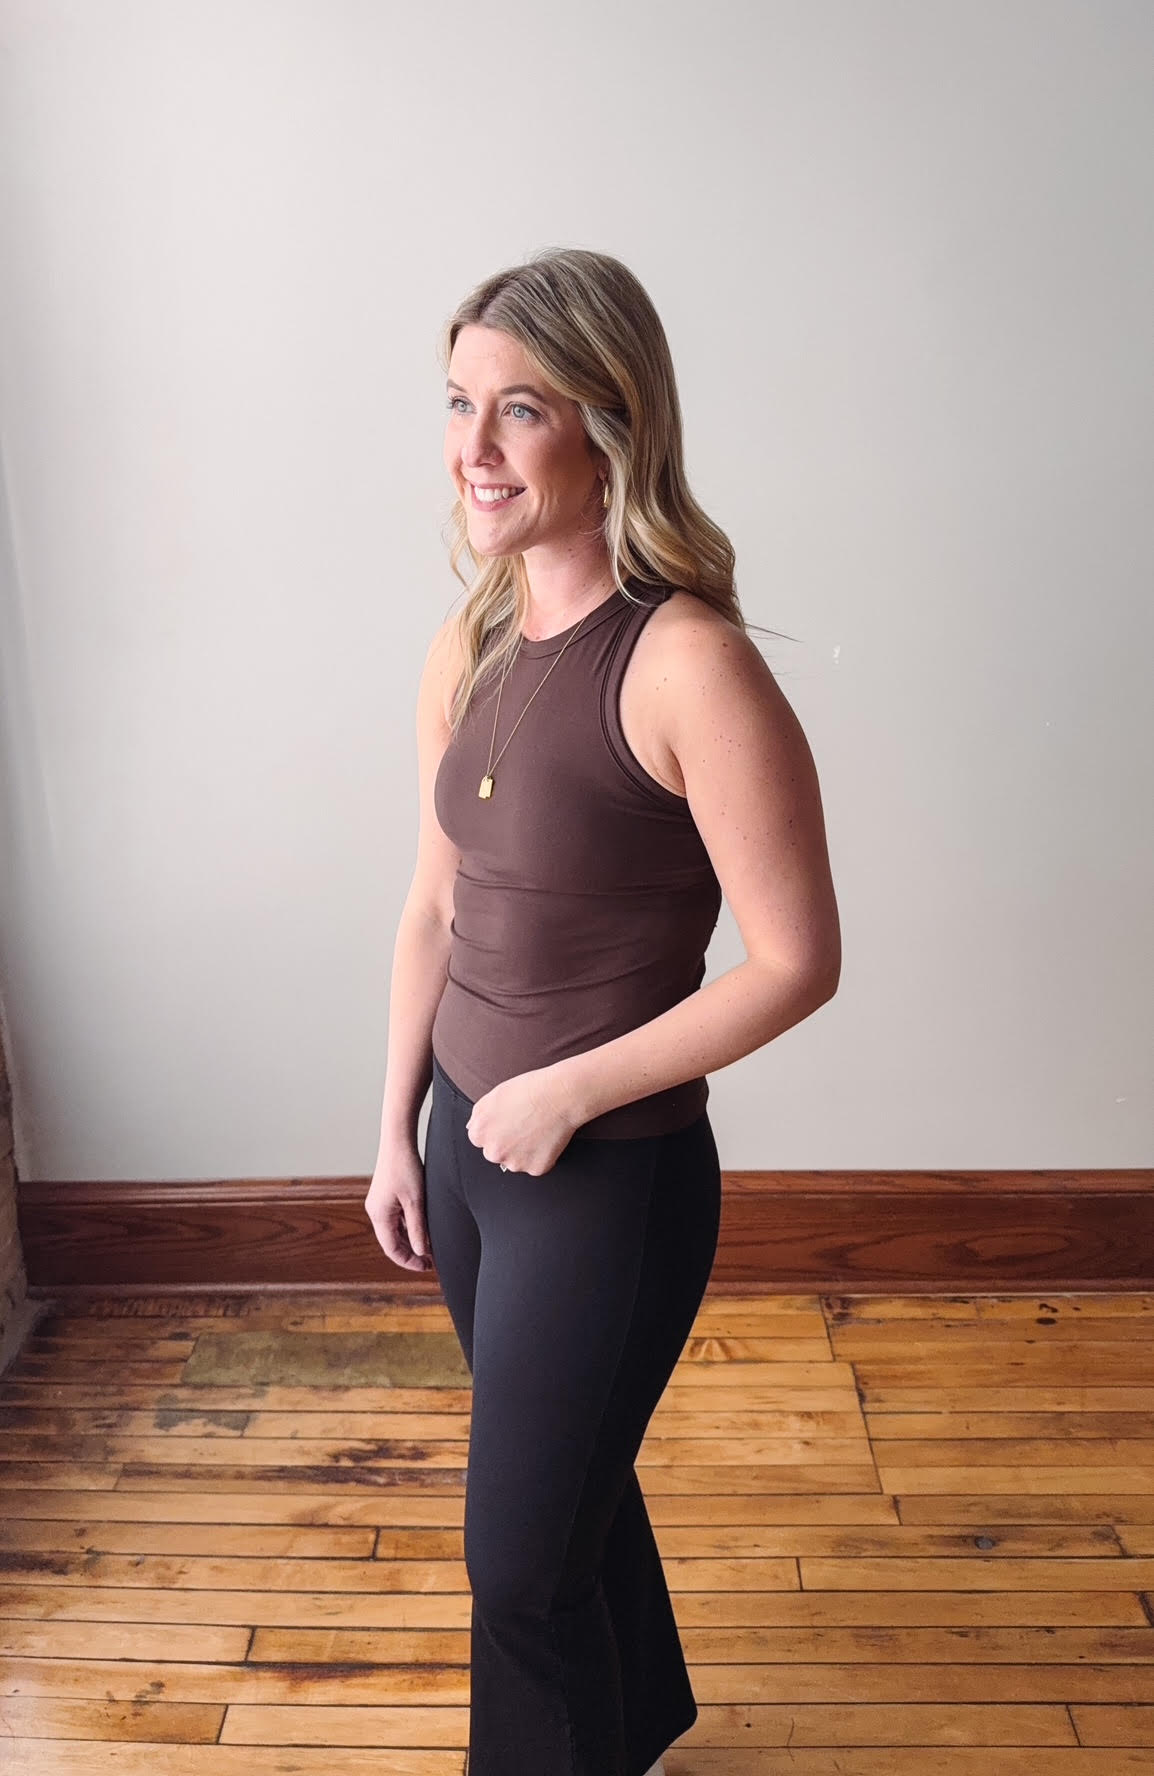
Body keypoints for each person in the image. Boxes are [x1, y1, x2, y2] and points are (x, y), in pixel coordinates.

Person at [366, 247, 842, 1776]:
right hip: (463, 1154)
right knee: (563, 1496)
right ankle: (628, 1729)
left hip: (604, 1183)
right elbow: (433, 907)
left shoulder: (690, 667)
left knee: (516, 1562)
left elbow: (793, 959)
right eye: (458, 403)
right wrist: (393, 1130)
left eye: (522, 409)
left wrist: (565, 1093)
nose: (475, 447)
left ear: (610, 426)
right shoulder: (473, 638)